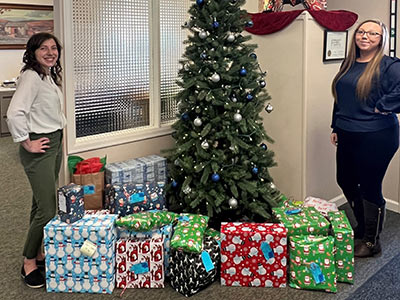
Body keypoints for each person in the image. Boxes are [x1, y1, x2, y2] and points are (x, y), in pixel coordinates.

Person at [331, 20, 400, 258]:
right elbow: (340, 97)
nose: (365, 36)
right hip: (347, 131)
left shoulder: (389, 65)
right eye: (361, 31)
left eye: (373, 33)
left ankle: (372, 241)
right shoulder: (349, 63)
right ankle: (362, 226)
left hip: (377, 135)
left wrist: (383, 106)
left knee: (370, 186)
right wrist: (335, 125)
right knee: (346, 180)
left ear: (381, 39)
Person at [7, 32, 66, 288]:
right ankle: (29, 260)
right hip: (40, 146)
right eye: (44, 48)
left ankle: (39, 251)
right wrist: (26, 142)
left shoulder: (47, 75)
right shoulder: (31, 77)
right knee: (48, 209)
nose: (51, 52)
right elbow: (14, 113)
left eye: (54, 48)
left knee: (39, 203)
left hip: (54, 141)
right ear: (33, 51)